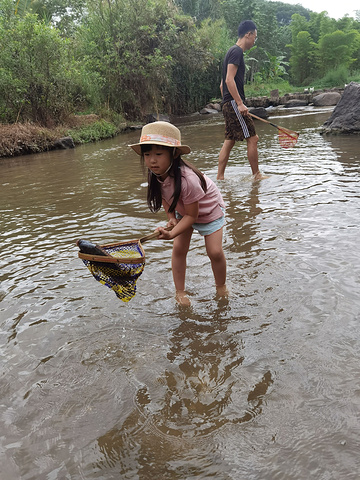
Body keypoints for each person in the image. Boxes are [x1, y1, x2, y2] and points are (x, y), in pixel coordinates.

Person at [130, 121, 227, 306]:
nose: (152, 160)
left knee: (214, 252)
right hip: (185, 210)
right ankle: (180, 292)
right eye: (147, 154)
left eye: (158, 154)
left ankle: (221, 286)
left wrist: (171, 233)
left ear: (174, 154)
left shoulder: (188, 179)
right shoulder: (156, 174)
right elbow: (166, 197)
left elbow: (193, 215)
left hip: (208, 210)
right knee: (179, 249)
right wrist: (172, 218)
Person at [218, 20, 264, 181]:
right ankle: (256, 175)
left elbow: (222, 84)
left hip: (227, 103)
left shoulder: (230, 52)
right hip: (232, 103)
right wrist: (238, 103)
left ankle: (220, 177)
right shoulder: (237, 52)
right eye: (255, 37)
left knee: (229, 141)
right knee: (253, 138)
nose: (254, 41)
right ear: (248, 34)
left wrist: (227, 102)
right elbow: (229, 80)